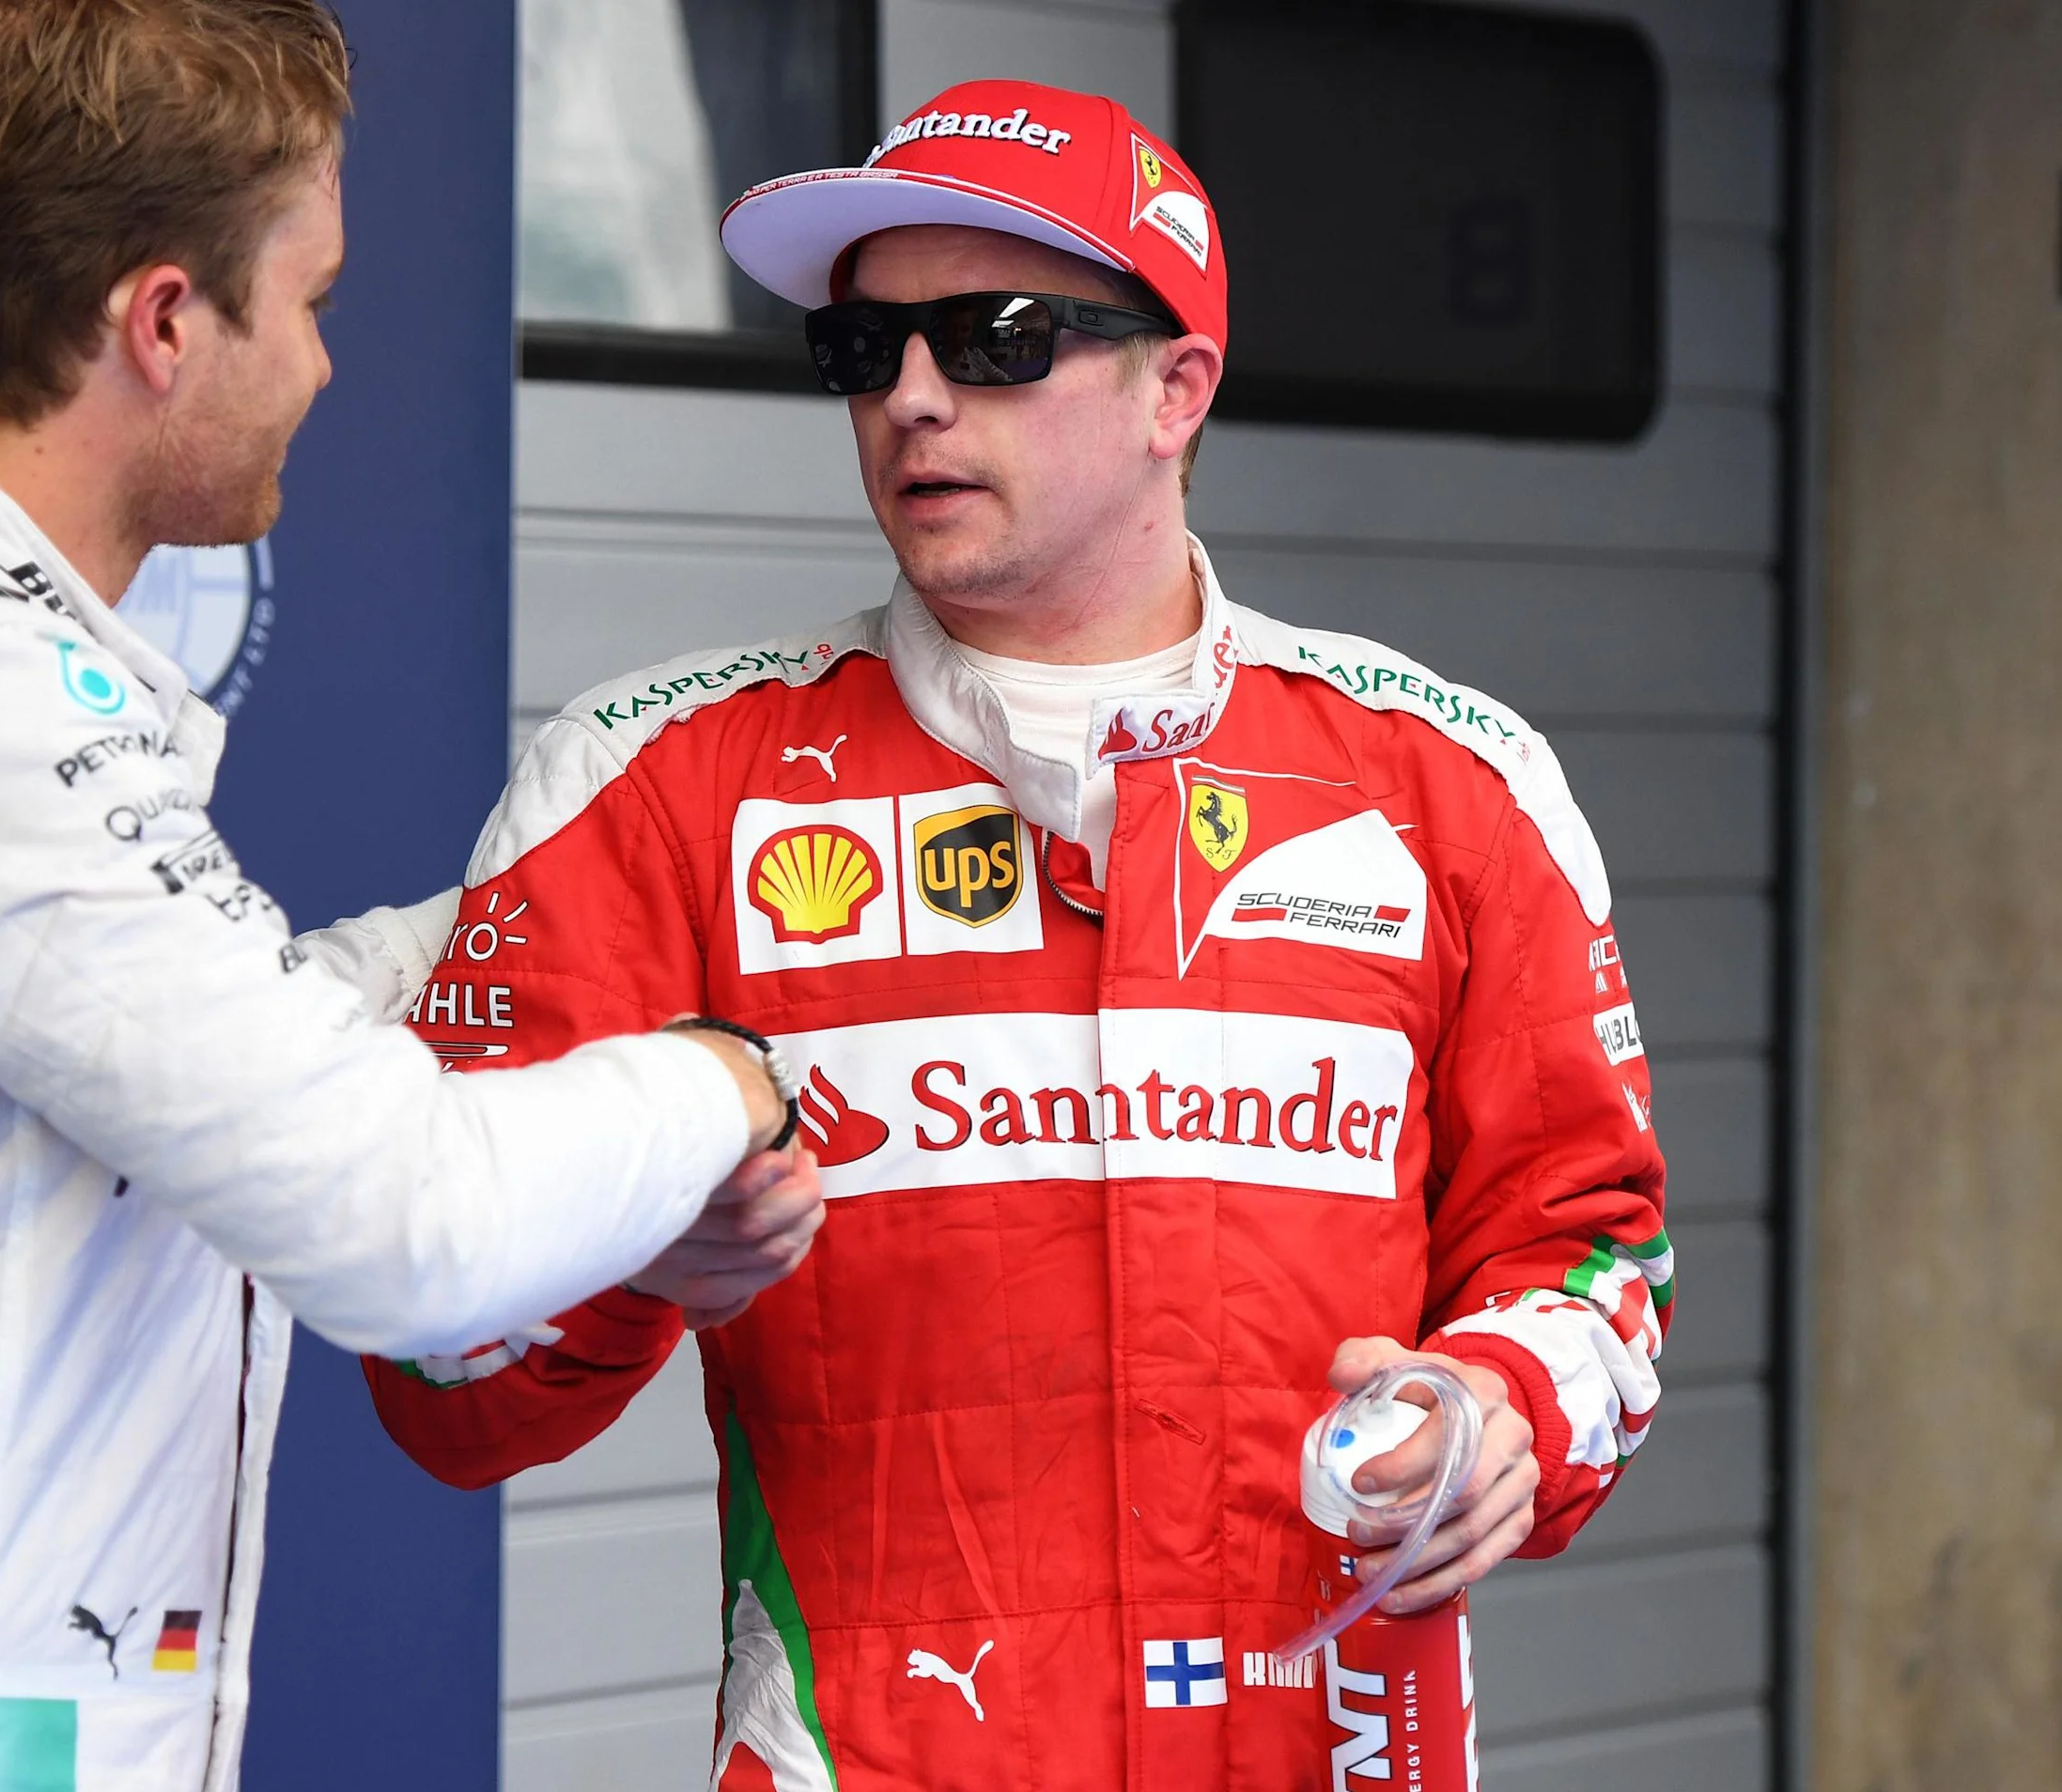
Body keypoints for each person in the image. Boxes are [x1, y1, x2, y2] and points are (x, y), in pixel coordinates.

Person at [350, 80, 1675, 1790]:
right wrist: (636, 1270)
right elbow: (442, 1365)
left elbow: (1591, 1249)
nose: (910, 397)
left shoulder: (1450, 781)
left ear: (1175, 390)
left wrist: (1505, 1412)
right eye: (863, 348)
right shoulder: (658, 784)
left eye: (997, 338)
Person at [0, 5, 821, 1788]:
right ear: (163, 323)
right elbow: (412, 1225)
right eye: (309, 298)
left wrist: (531, 917)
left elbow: (193, 1050)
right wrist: (728, 1067)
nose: (327, 365)